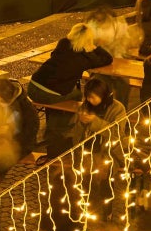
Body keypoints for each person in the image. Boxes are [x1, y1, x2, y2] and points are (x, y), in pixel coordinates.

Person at [28, 23, 113, 153]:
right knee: (77, 95)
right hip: (46, 94)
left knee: (63, 94)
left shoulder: (63, 43)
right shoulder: (84, 59)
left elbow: (54, 56)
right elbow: (108, 59)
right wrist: (94, 47)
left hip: (33, 86)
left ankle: (54, 127)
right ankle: (62, 129)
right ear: (88, 40)